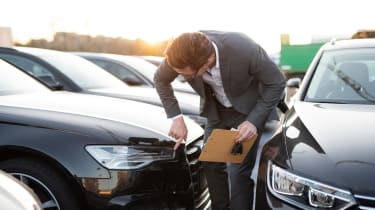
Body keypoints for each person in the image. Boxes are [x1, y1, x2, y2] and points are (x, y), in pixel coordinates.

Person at [154, 30, 286, 210]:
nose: (184, 78)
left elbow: (277, 82)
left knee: (237, 171)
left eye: (188, 75)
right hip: (216, 112)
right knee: (210, 160)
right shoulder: (182, 55)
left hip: (248, 111)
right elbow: (160, 79)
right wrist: (176, 118)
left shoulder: (244, 49)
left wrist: (254, 121)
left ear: (207, 61)